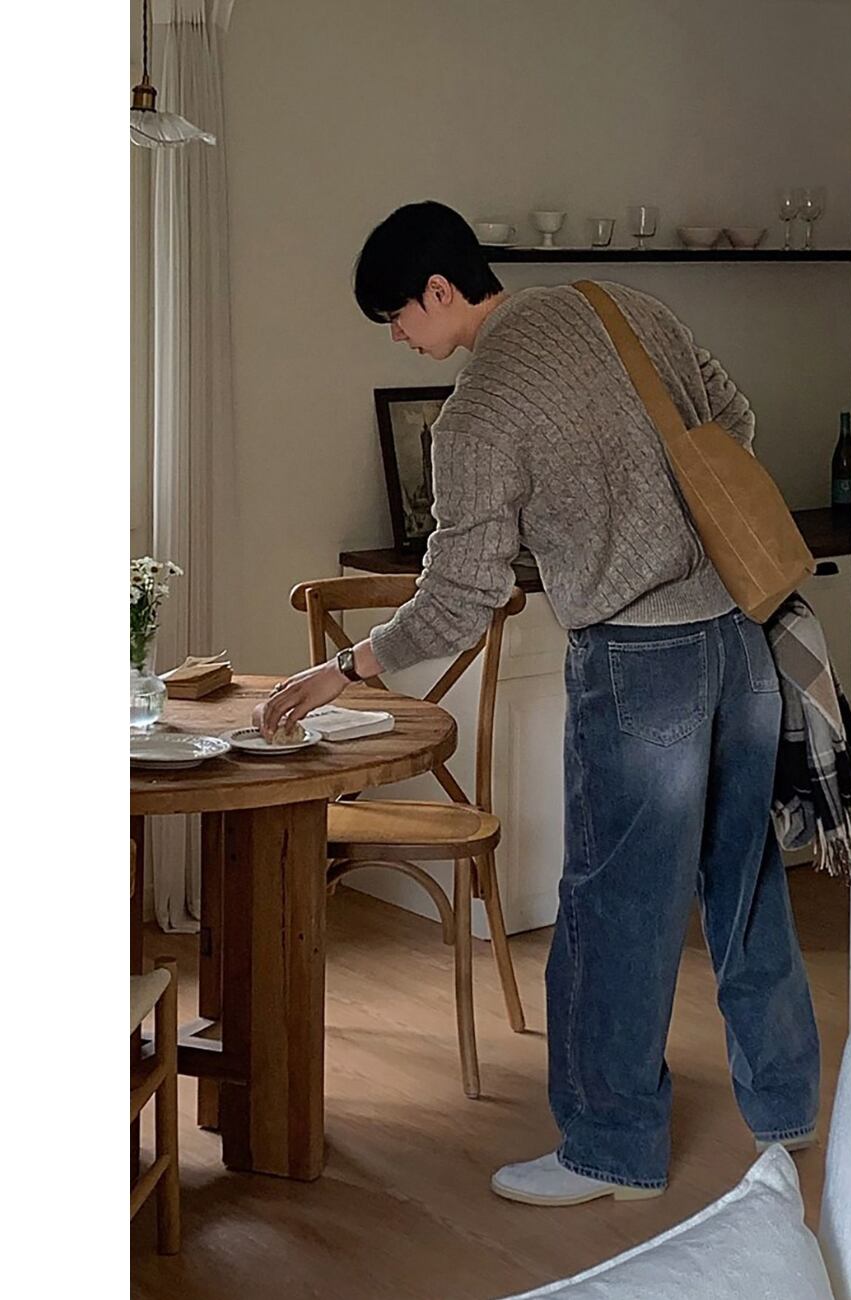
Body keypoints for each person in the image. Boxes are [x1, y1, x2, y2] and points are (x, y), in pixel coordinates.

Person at [257, 201, 820, 1206]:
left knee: (616, 907)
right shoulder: (624, 308)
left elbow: (458, 598)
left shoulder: (477, 412)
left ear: (440, 290)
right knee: (745, 879)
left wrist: (348, 666)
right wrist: (659, 519)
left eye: (397, 316)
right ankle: (787, 1108)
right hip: (738, 635)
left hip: (638, 661)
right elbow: (733, 422)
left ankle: (610, 1151)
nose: (400, 338)